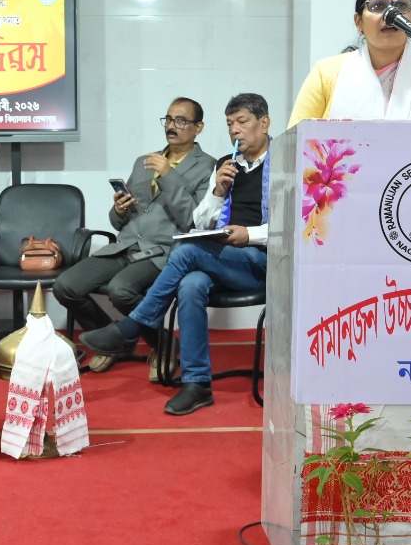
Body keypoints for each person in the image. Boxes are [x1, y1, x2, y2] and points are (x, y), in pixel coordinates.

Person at [79, 93, 273, 416]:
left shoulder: (286, 164)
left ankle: (133, 325)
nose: (235, 131)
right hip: (223, 258)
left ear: (264, 124)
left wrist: (249, 234)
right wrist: (218, 192)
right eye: (230, 124)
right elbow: (199, 222)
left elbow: (297, 225)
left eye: (242, 122)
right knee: (190, 284)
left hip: (261, 262)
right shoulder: (226, 165)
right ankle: (198, 385)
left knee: (185, 249)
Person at [53, 97, 216, 372]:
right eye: (168, 119)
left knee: (121, 291)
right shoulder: (144, 162)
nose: (172, 126)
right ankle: (114, 340)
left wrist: (169, 175)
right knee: (65, 285)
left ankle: (163, 345)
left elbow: (193, 221)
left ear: (198, 127)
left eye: (181, 120)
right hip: (125, 245)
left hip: (163, 252)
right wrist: (119, 208)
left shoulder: (208, 166)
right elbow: (118, 222)